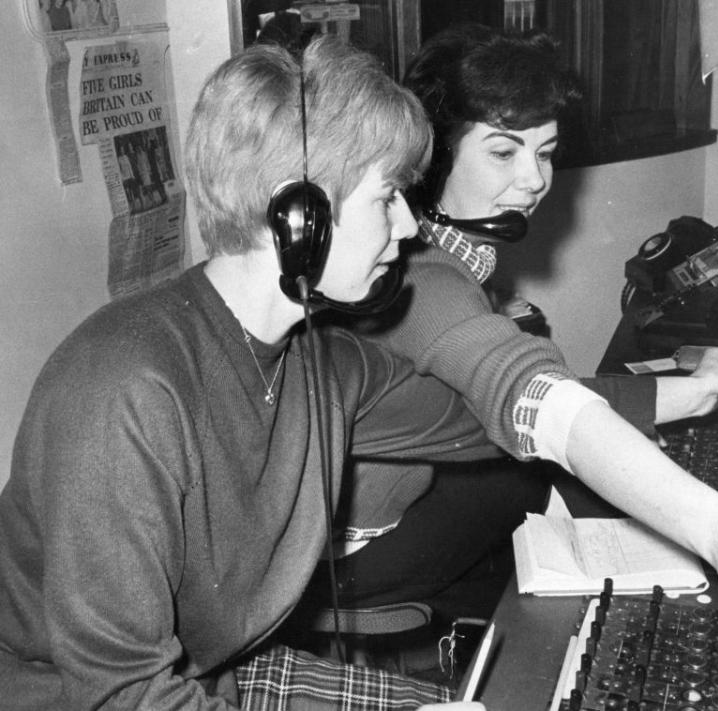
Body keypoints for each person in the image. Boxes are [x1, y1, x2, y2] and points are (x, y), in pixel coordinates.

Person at [296, 22, 718, 650]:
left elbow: (489, 395)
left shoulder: (448, 258)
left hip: (366, 531)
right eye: (503, 151)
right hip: (350, 562)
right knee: (530, 481)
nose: (533, 179)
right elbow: (524, 398)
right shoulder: (425, 279)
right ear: (433, 155)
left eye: (544, 152)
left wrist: (694, 391)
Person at [0, 35, 492, 710]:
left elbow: (478, 416)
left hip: (212, 679)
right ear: (300, 216)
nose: (410, 225)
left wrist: (667, 395)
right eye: (389, 197)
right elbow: (121, 694)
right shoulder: (124, 388)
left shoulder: (320, 360)